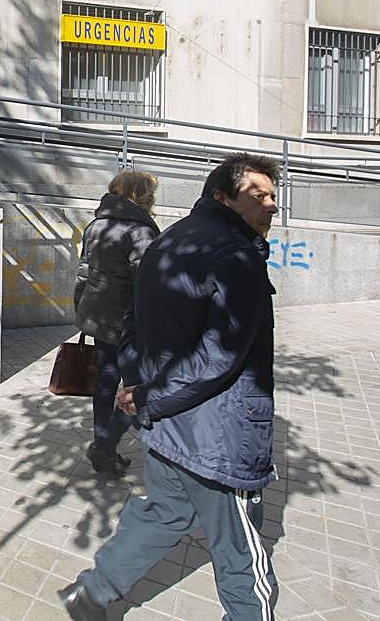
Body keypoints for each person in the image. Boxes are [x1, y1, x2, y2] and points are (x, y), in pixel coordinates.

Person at [59, 152, 281, 621]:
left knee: (164, 513)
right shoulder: (234, 256)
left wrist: (140, 388)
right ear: (222, 196)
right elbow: (220, 357)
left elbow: (134, 317)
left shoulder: (171, 239)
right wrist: (145, 393)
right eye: (257, 195)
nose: (271, 205)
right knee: (241, 549)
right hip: (216, 434)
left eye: (274, 196)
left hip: (165, 422)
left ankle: (92, 594)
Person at [73, 170, 160, 476]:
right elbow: (149, 283)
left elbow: (84, 271)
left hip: (98, 317)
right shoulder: (140, 232)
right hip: (128, 322)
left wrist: (80, 308)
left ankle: (103, 443)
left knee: (106, 382)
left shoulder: (96, 225)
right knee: (137, 388)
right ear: (141, 195)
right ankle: (109, 446)